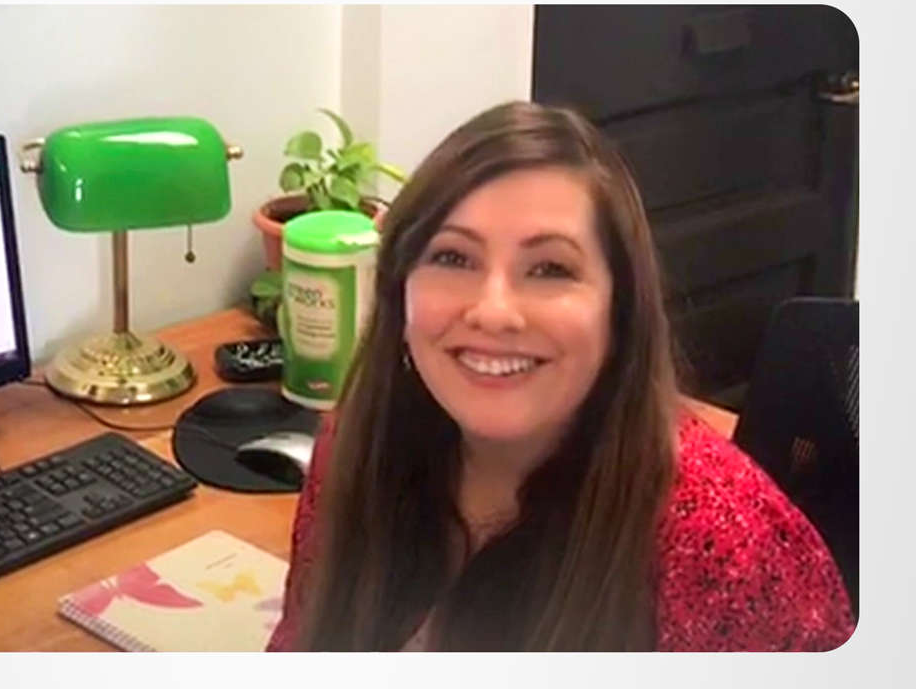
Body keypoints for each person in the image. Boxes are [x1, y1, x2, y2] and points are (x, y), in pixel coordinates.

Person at [266, 101, 854, 652]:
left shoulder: (721, 541)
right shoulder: (355, 449)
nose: (494, 311)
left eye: (550, 269)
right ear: (400, 295)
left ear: (619, 312)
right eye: (453, 257)